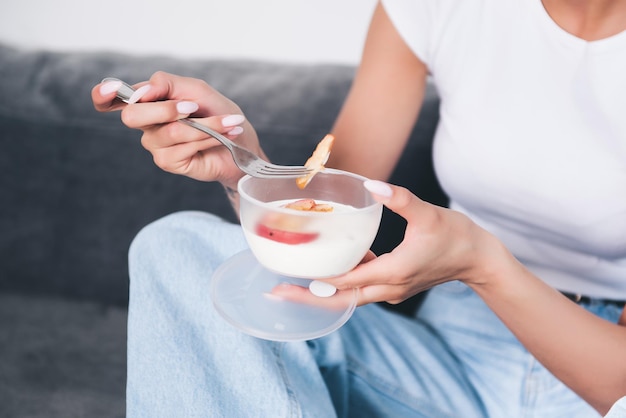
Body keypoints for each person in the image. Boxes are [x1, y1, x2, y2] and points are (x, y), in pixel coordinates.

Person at [92, 0, 626, 416]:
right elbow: (331, 210)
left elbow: (617, 389)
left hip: (595, 369)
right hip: (445, 360)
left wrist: (482, 263)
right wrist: (244, 165)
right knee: (179, 244)